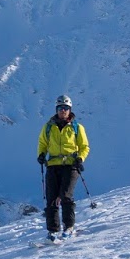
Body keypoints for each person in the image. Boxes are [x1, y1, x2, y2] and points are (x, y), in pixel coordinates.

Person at [36, 94, 90, 240]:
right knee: (52, 198)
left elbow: (84, 146)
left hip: (71, 166)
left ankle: (69, 227)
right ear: (56, 109)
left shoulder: (77, 127)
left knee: (65, 196)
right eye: (60, 108)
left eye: (66, 108)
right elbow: (43, 143)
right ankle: (53, 231)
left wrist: (80, 158)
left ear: (70, 109)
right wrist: (41, 154)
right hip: (53, 166)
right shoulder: (48, 127)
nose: (63, 110)